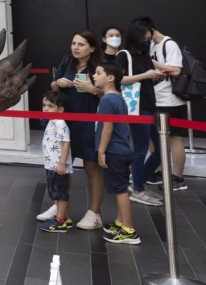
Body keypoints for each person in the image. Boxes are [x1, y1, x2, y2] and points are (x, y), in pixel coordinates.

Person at [46, 30, 104, 229]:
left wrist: (93, 90)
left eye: (81, 44)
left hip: (90, 122)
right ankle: (60, 208)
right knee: (63, 166)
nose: (76, 47)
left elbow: (110, 94)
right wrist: (57, 83)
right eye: (73, 43)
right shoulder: (66, 62)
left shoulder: (99, 67)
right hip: (66, 123)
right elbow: (54, 89)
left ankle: (94, 213)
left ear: (92, 48)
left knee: (91, 166)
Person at [136, 16, 188, 191]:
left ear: (150, 29)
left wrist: (152, 63)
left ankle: (178, 177)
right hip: (155, 99)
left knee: (174, 139)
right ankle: (158, 171)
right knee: (155, 139)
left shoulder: (169, 44)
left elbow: (175, 71)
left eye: (143, 33)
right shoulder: (150, 45)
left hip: (171, 100)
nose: (142, 38)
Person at [92, 62, 141, 244]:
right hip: (123, 150)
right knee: (120, 188)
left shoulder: (106, 100)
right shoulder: (118, 98)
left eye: (98, 73)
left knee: (120, 191)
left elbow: (107, 127)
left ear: (110, 78)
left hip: (115, 151)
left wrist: (101, 151)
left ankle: (129, 231)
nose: (94, 76)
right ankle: (121, 223)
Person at [115, 22, 163, 206]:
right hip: (138, 106)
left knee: (160, 149)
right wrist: (145, 76)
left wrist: (157, 76)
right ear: (136, 38)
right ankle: (138, 188)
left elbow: (147, 79)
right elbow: (118, 80)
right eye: (145, 39)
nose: (148, 42)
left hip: (151, 105)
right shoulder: (124, 55)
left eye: (149, 39)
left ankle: (139, 181)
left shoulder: (145, 56)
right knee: (140, 149)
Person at [37, 91, 74, 232]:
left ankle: (60, 221)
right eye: (44, 105)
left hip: (58, 165)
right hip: (52, 164)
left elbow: (66, 143)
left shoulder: (60, 123)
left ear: (60, 109)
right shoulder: (52, 121)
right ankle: (64, 218)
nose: (46, 108)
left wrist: (62, 163)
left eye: (50, 106)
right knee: (56, 192)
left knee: (61, 194)